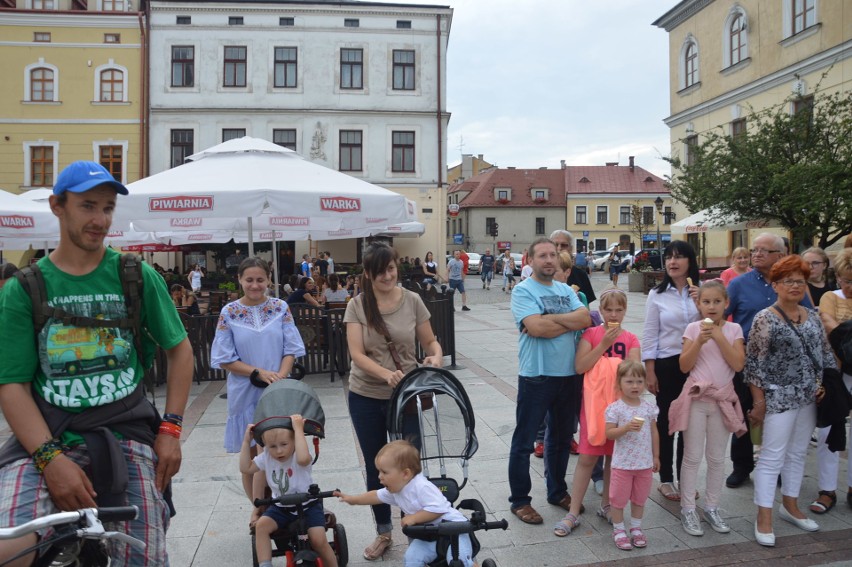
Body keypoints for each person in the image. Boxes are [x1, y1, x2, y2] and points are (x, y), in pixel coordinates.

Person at [0, 160, 193, 566]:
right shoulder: (24, 288)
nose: (100, 219)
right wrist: (51, 460)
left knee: (142, 557)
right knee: (10, 550)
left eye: (107, 208)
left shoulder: (134, 274)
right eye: (88, 206)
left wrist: (171, 429)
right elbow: (11, 385)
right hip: (48, 435)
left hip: (126, 432)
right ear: (58, 206)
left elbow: (180, 350)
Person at [343, 242, 442, 560]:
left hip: (406, 396)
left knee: (409, 467)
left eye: (391, 268)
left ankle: (413, 531)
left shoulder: (412, 299)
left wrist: (435, 356)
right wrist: (385, 374)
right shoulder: (358, 305)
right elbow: (356, 353)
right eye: (379, 270)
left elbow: (430, 341)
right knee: (380, 468)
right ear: (368, 274)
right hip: (366, 395)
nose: (387, 275)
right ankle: (384, 532)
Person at [745, 255, 835, 547]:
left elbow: (825, 355)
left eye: (800, 281)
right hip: (777, 398)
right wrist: (759, 402)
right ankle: (764, 517)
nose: (795, 286)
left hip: (808, 397)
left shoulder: (812, 317)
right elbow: (753, 365)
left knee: (797, 454)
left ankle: (791, 506)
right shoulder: (765, 318)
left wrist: (825, 385)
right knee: (772, 458)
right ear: (775, 285)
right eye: (788, 281)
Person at [508, 238, 590, 525]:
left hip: (568, 375)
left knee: (561, 438)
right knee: (524, 440)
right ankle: (519, 500)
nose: (549, 260)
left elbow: (585, 319)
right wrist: (559, 321)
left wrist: (550, 318)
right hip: (537, 376)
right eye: (542, 255)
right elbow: (536, 327)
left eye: (553, 255)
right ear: (530, 260)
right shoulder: (522, 290)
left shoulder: (565, 289)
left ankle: (557, 491)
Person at [211, 257, 306, 505]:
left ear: (268, 280)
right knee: (252, 457)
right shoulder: (229, 312)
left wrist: (281, 377)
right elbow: (224, 358)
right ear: (240, 280)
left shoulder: (280, 307)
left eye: (260, 280)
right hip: (244, 390)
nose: (255, 285)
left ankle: (284, 504)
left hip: (277, 391)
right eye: (249, 280)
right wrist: (257, 372)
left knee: (282, 451)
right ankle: (258, 509)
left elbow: (291, 349)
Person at [724, 233, 812, 489]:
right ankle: (741, 467)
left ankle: (778, 466)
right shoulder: (740, 284)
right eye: (755, 250)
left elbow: (808, 313)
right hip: (749, 362)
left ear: (780, 256)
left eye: (764, 250)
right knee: (744, 413)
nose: (757, 254)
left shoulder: (790, 283)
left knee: (779, 416)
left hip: (784, 365)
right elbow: (722, 313)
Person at [554, 288, 640, 537]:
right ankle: (572, 511)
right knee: (587, 458)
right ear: (600, 311)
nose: (613, 314)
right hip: (593, 408)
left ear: (625, 311)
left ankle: (607, 505)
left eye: (619, 309)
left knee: (614, 460)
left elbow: (633, 373)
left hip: (620, 409)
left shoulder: (631, 339)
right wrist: (604, 344)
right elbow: (581, 366)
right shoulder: (591, 335)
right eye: (608, 309)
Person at [671, 281, 746, 537]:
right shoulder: (693, 328)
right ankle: (688, 507)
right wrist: (699, 341)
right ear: (699, 304)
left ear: (726, 303)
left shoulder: (734, 329)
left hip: (722, 401)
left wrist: (718, 336)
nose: (711, 306)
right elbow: (684, 365)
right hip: (697, 400)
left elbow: (737, 364)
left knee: (716, 458)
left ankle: (712, 506)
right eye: (706, 302)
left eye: (717, 301)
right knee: (692, 456)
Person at [335, 440, 474, 567]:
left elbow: (438, 509)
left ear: (405, 474)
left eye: (384, 472)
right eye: (379, 472)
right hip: (431, 537)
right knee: (412, 557)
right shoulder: (396, 490)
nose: (379, 477)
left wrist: (413, 518)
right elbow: (375, 495)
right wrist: (352, 499)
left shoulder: (421, 486)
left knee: (457, 561)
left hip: (454, 532)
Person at [641, 240, 700, 501]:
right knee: (667, 423)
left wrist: (703, 304)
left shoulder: (700, 292)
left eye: (678, 257)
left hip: (697, 364)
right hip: (667, 364)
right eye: (669, 257)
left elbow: (714, 324)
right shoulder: (658, 294)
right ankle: (665, 479)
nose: (673, 262)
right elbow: (650, 334)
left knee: (691, 424)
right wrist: (649, 370)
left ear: (690, 261)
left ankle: (686, 479)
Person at [240, 416, 338, 567]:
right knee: (261, 527)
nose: (279, 451)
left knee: (318, 540)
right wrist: (247, 442)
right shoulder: (266, 457)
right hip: (281, 507)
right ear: (265, 446)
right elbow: (245, 468)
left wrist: (298, 429)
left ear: (294, 441)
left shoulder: (298, 457)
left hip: (308, 506)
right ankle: (265, 564)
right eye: (272, 446)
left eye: (284, 444)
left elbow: (304, 458)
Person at [811, 247, 852, 514]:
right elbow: (830, 328)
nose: (848, 286)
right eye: (845, 280)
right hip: (836, 372)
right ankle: (827, 490)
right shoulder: (829, 296)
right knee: (829, 430)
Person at [604, 360, 660, 551]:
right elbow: (609, 433)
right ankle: (619, 530)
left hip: (644, 464)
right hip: (623, 464)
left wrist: (656, 456)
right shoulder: (615, 408)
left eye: (638, 381)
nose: (635, 386)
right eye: (629, 381)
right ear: (619, 383)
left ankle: (636, 528)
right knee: (618, 499)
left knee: (639, 499)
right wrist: (626, 428)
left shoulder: (648, 408)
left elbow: (654, 432)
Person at [550, 230, 596, 304]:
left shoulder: (581, 275)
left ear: (571, 249)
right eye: (555, 244)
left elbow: (586, 305)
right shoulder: (540, 273)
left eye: (564, 245)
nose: (559, 248)